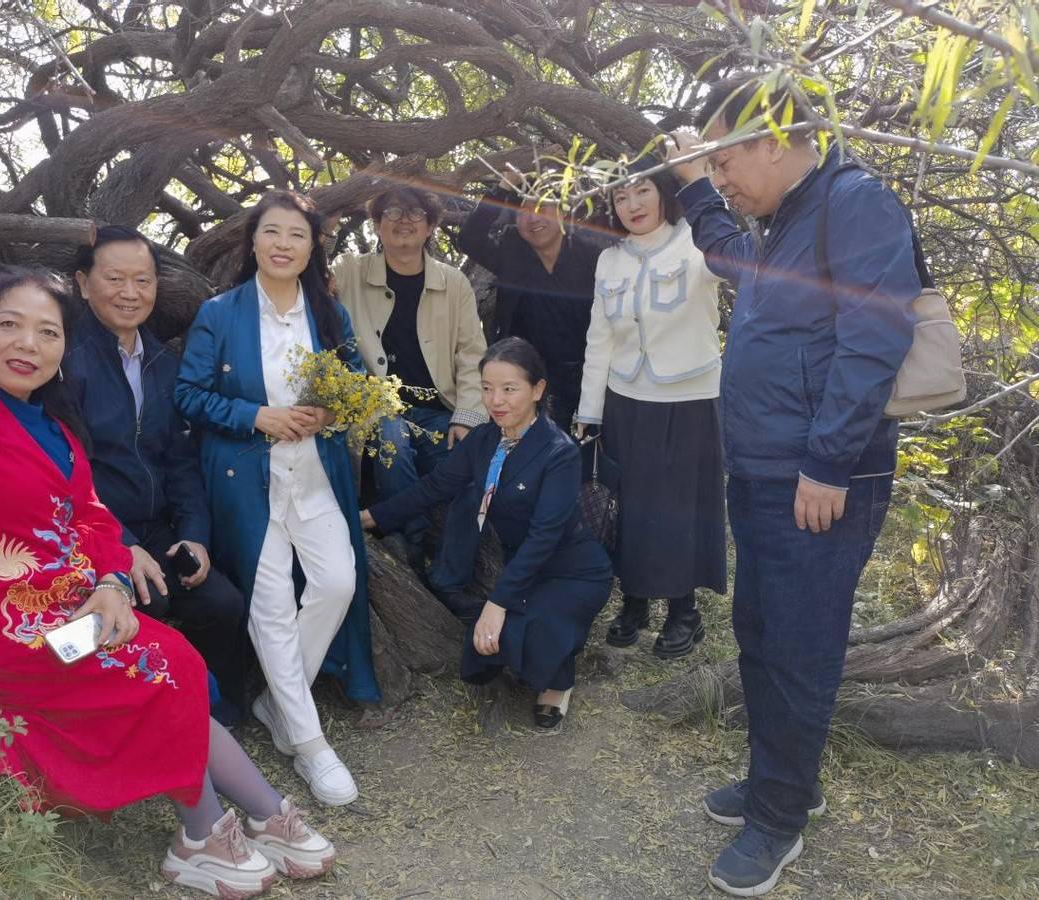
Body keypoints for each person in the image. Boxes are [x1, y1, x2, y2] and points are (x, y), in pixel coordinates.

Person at [0, 267, 335, 898]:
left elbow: (93, 518)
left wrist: (112, 582)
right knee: (159, 667)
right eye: (9, 324)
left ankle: (253, 815)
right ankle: (208, 831)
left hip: (71, 610)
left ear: (63, 348)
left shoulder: (55, 427)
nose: (27, 344)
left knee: (172, 661)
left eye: (47, 332)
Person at [668, 74, 918, 896]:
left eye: (726, 161)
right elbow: (730, 259)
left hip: (818, 480)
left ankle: (778, 821)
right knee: (762, 633)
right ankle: (782, 784)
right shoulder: (781, 223)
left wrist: (828, 461)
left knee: (800, 648)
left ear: (776, 140)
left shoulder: (856, 204)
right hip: (764, 470)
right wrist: (696, 191)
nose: (723, 178)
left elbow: (874, 336)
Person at [176, 190, 380, 807]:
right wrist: (255, 415)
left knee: (338, 582)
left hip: (315, 474)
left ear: (313, 247)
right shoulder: (220, 313)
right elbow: (188, 394)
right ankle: (311, 744)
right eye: (272, 231)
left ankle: (276, 704)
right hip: (246, 479)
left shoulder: (328, 313)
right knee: (269, 605)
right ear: (253, 240)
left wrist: (330, 411)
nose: (283, 244)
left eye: (297, 234)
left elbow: (357, 383)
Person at [360, 338, 612, 732]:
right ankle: (547, 636)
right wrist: (370, 517)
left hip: (574, 571)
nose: (496, 400)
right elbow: (433, 487)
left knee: (524, 629)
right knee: (489, 645)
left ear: (537, 390)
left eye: (509, 389)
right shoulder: (483, 440)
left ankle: (559, 683)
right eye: (487, 388)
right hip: (525, 571)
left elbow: (544, 537)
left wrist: (497, 603)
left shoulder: (558, 452)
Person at [64, 226, 249, 722]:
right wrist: (120, 543)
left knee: (223, 604)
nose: (130, 293)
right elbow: (67, 473)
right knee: (146, 608)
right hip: (93, 535)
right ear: (83, 283)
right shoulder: (65, 363)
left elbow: (181, 461)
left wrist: (194, 535)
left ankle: (215, 716)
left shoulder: (164, 362)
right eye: (115, 279)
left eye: (142, 280)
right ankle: (139, 721)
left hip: (159, 529)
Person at [573, 155, 727, 660]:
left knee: (681, 508)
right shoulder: (609, 260)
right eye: (621, 196)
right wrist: (589, 411)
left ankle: (684, 611)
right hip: (626, 399)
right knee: (630, 505)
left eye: (642, 191)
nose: (632, 204)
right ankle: (634, 602)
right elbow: (599, 338)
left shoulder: (697, 241)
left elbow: (735, 260)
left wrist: (704, 183)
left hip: (688, 398)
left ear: (664, 193)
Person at [332, 184, 487, 574]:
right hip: (375, 409)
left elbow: (472, 355)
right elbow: (311, 280)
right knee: (393, 439)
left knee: (469, 469)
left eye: (415, 213)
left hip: (439, 411)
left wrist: (467, 417)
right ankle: (412, 548)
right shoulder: (350, 271)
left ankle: (452, 577)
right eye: (393, 212)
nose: (404, 220)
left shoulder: (454, 283)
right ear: (376, 224)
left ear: (431, 226)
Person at [457, 171, 607, 431]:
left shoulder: (591, 255)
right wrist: (502, 190)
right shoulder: (512, 252)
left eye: (542, 207)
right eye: (524, 210)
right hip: (529, 380)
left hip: (588, 375)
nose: (533, 217)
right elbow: (469, 238)